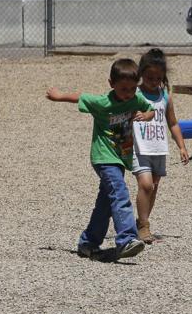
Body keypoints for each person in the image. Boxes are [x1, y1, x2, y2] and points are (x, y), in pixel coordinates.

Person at [46, 59, 156, 260]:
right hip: (103, 158)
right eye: (123, 89)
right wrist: (59, 96)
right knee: (120, 192)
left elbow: (150, 108)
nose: (128, 94)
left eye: (132, 89)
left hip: (120, 158)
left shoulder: (134, 99)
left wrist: (146, 116)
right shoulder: (102, 103)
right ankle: (126, 239)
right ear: (111, 83)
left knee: (106, 202)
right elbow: (82, 96)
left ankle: (88, 242)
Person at [131, 48, 189, 244]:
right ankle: (143, 227)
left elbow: (173, 123)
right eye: (149, 77)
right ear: (141, 74)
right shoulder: (135, 94)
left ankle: (142, 221)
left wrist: (181, 146)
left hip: (158, 149)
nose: (153, 81)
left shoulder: (165, 96)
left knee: (153, 187)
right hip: (139, 148)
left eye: (158, 78)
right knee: (145, 185)